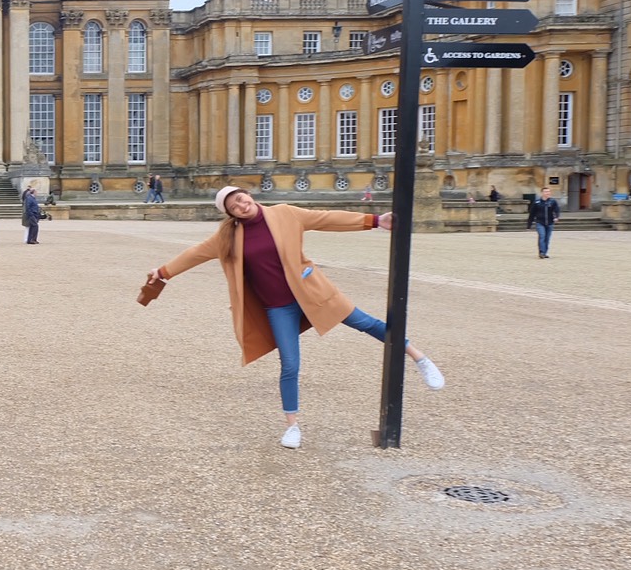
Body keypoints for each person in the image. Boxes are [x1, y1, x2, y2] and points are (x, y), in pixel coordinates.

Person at [143, 186, 445, 451]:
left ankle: (419, 358)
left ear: (249, 196)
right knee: (289, 364)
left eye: (242, 199)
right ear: (230, 214)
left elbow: (326, 218)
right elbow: (195, 253)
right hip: (278, 307)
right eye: (234, 206)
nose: (242, 205)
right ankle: (292, 427)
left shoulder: (284, 213)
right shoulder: (228, 237)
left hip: (311, 291)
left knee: (366, 323)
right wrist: (164, 272)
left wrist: (375, 221)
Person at [528, 186, 560, 258]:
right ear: (542, 193)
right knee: (542, 236)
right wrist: (529, 224)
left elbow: (556, 210)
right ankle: (541, 252)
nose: (548, 193)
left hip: (550, 222)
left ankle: (545, 252)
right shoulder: (537, 202)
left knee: (547, 238)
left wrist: (556, 217)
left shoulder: (553, 201)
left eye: (548, 191)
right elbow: (532, 214)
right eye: (546, 192)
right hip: (540, 222)